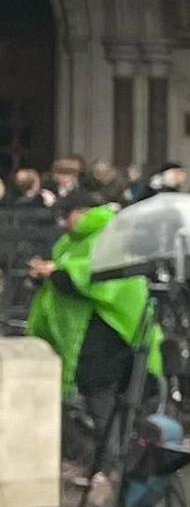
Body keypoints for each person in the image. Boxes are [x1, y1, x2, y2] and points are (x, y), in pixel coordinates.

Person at [25, 193, 162, 481]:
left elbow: (93, 277)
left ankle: (108, 466)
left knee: (103, 401)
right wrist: (46, 273)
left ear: (83, 211)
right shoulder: (71, 240)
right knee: (87, 402)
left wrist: (57, 272)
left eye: (68, 215)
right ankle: (98, 460)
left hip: (105, 335)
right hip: (81, 336)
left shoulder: (107, 235)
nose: (64, 223)